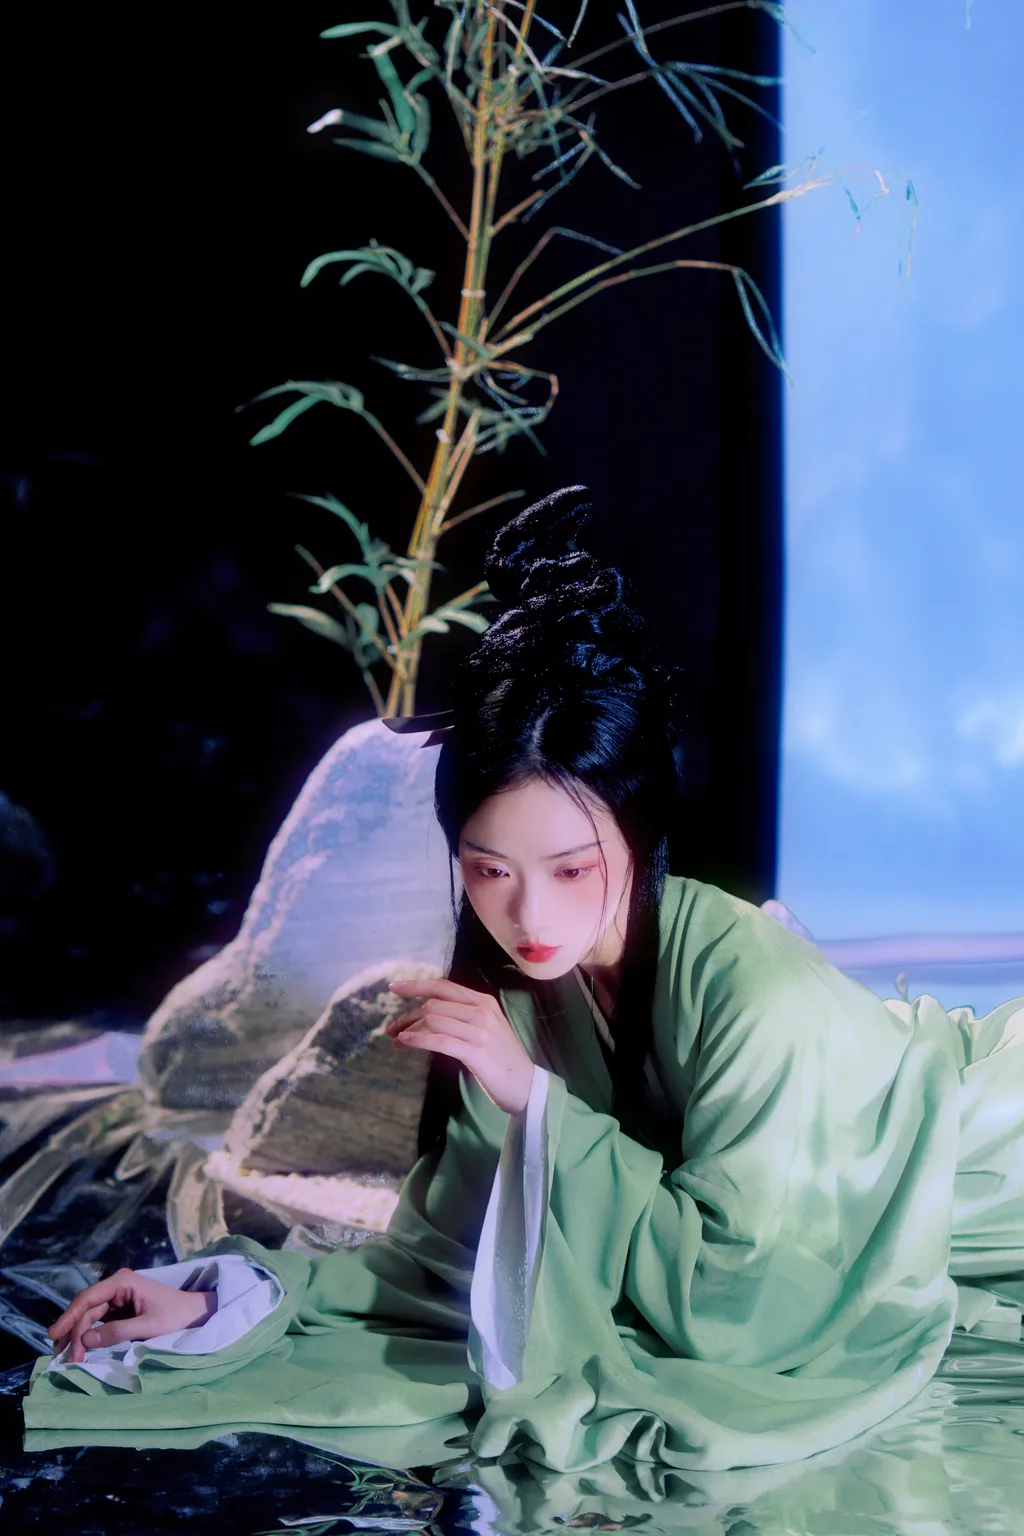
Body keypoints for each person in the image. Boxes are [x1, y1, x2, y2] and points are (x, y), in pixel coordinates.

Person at [23, 487, 1024, 1473]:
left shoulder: (753, 990)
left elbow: (749, 1303)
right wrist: (213, 1299)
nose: (530, 918)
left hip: (979, 1160)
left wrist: (537, 1102)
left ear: (641, 834)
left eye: (573, 870)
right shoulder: (512, 997)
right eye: (489, 871)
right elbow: (444, 1265)